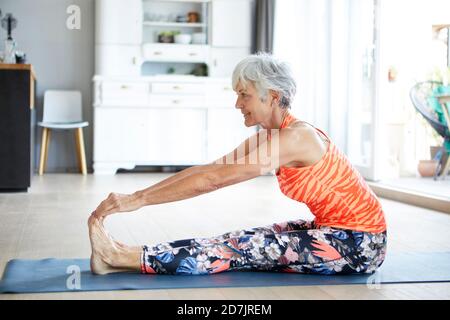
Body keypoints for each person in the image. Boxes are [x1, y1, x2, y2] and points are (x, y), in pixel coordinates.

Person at [88, 52, 387, 276]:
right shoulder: (270, 137)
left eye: (244, 95)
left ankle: (120, 258)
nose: (237, 104)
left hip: (360, 244)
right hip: (332, 229)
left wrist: (138, 200)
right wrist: (135, 197)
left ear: (272, 96)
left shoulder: (296, 138)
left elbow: (213, 181)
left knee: (236, 251)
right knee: (241, 238)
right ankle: (123, 253)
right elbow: (209, 171)